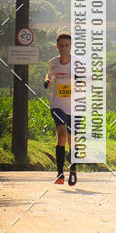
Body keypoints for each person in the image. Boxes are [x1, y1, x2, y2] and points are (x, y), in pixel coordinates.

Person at [44, 32, 76, 186]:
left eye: (67, 45)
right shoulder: (54, 62)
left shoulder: (78, 63)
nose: (64, 48)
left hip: (74, 107)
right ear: (57, 46)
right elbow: (49, 76)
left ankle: (73, 169)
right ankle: (60, 174)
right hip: (57, 105)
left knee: (72, 140)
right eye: (61, 45)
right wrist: (47, 81)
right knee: (62, 134)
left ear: (70, 46)